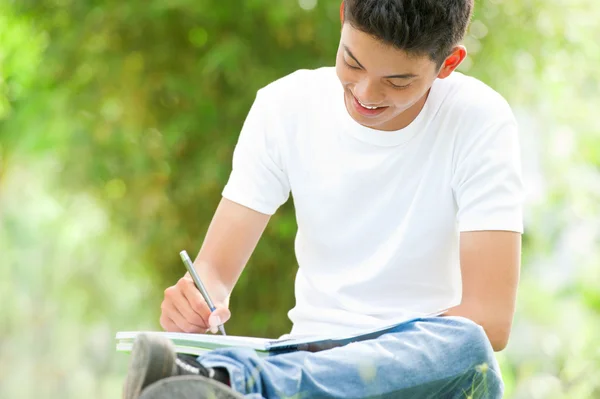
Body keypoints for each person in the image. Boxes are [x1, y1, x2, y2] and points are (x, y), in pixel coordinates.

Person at [123, 0, 523, 398]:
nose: (366, 93)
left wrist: (348, 358)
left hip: (418, 376)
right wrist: (194, 302)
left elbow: (490, 320)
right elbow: (213, 272)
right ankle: (234, 381)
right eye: (352, 63)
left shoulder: (479, 121)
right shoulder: (284, 107)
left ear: (448, 64)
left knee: (468, 344)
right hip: (306, 361)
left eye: (398, 81)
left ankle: (230, 382)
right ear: (343, 14)